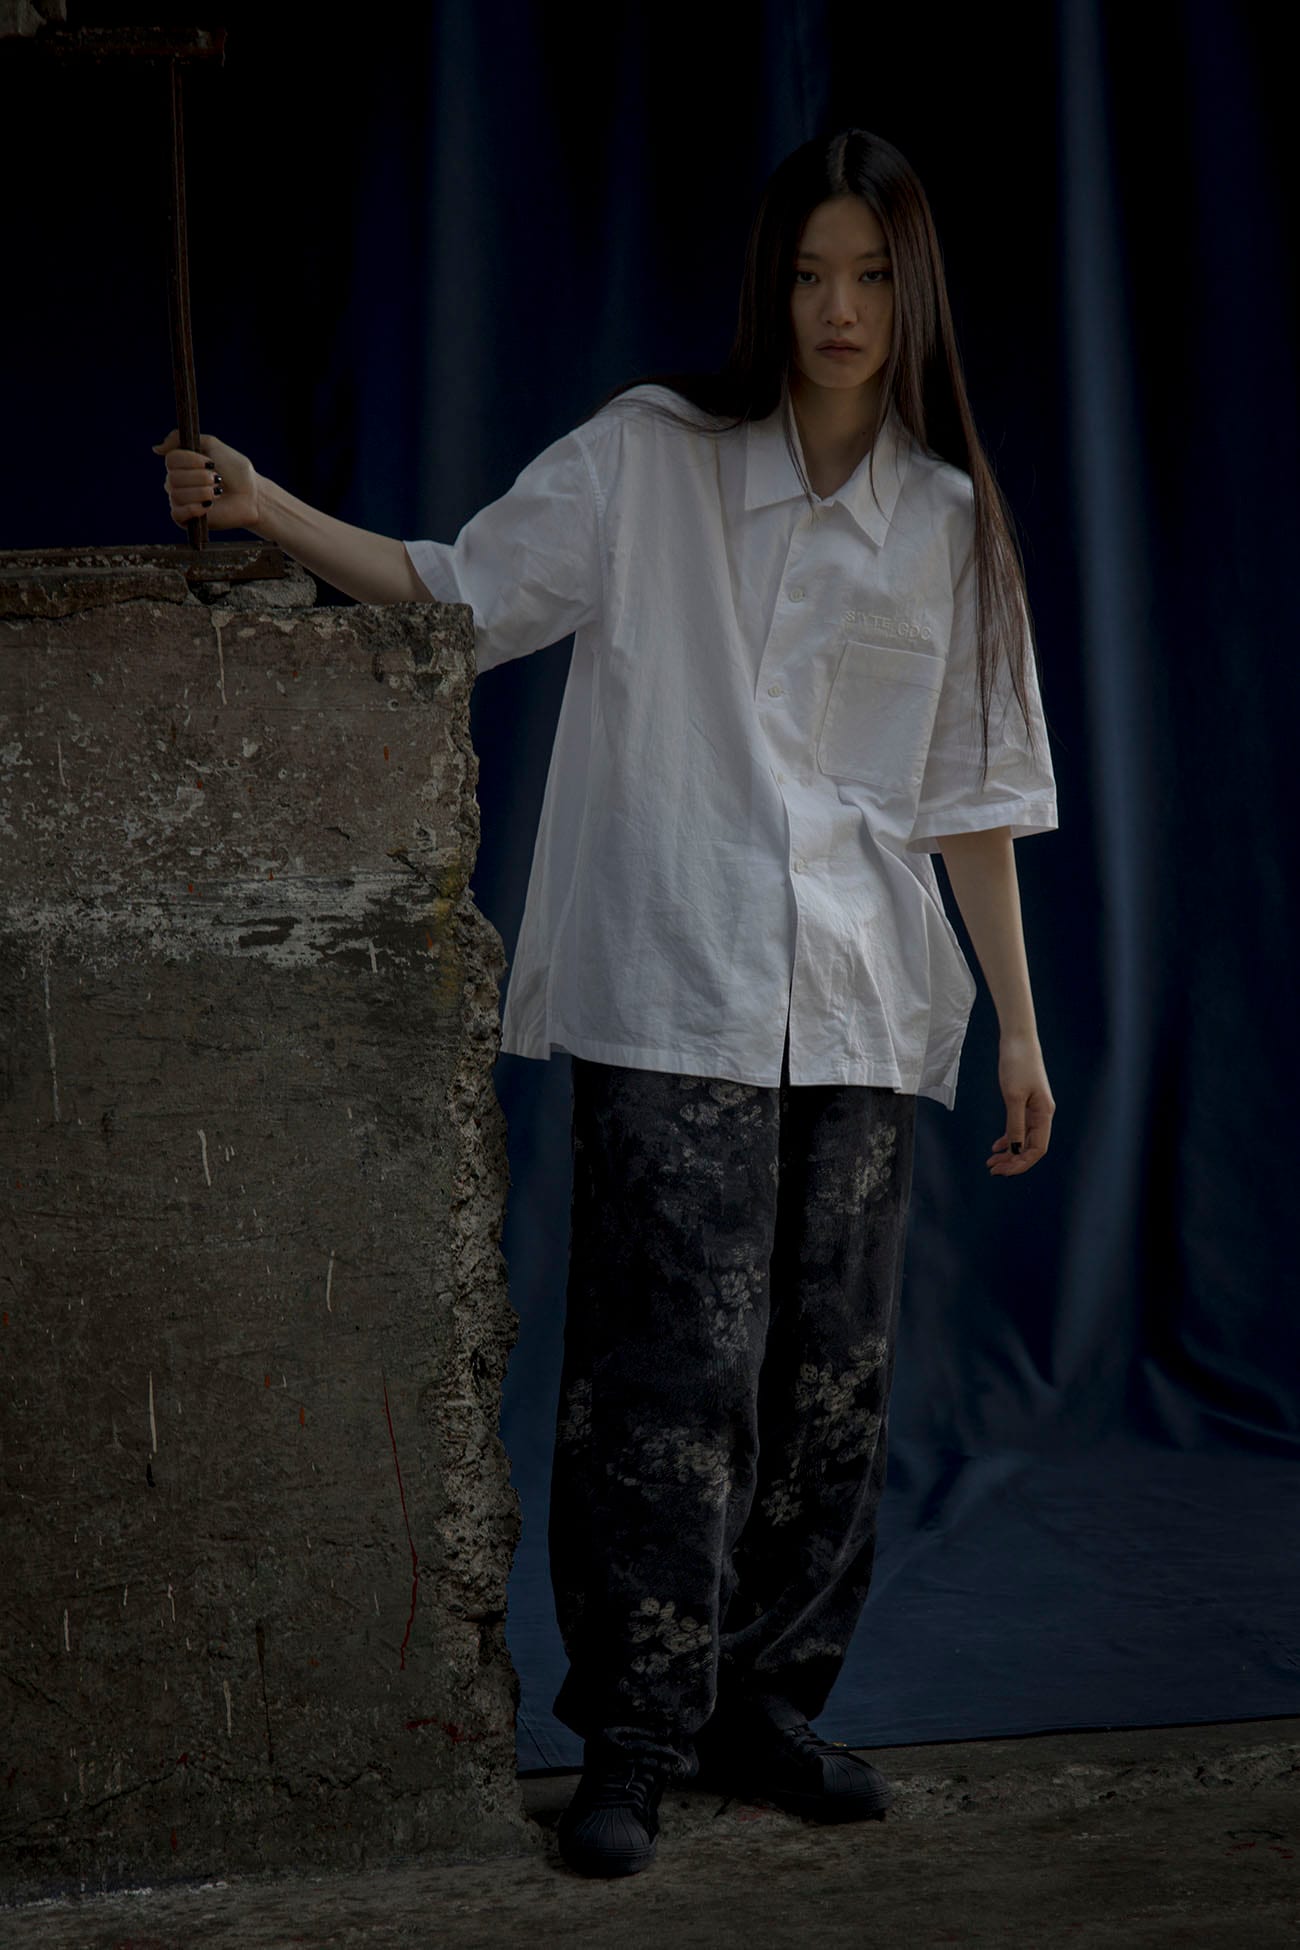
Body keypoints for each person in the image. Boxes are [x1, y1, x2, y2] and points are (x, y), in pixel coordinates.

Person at [153, 126, 1058, 1882]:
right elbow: (457, 590)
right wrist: (269, 511)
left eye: (872, 276)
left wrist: (1015, 1025)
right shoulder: (651, 458)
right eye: (811, 273)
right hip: (676, 977)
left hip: (859, 1001)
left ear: (915, 294)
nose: (839, 308)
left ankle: (765, 1706)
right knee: (663, 1375)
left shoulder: (951, 526)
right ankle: (632, 1734)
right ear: (770, 285)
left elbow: (976, 804)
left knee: (831, 1379)